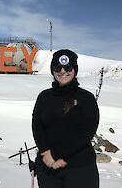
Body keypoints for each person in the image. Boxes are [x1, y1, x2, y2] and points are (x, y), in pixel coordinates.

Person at [32, 49, 100, 188]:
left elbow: (87, 132)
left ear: (75, 70)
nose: (63, 71)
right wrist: (46, 154)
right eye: (58, 67)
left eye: (68, 67)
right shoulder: (44, 97)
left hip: (80, 168)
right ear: (52, 70)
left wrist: (55, 155)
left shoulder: (86, 98)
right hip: (48, 168)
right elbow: (37, 126)